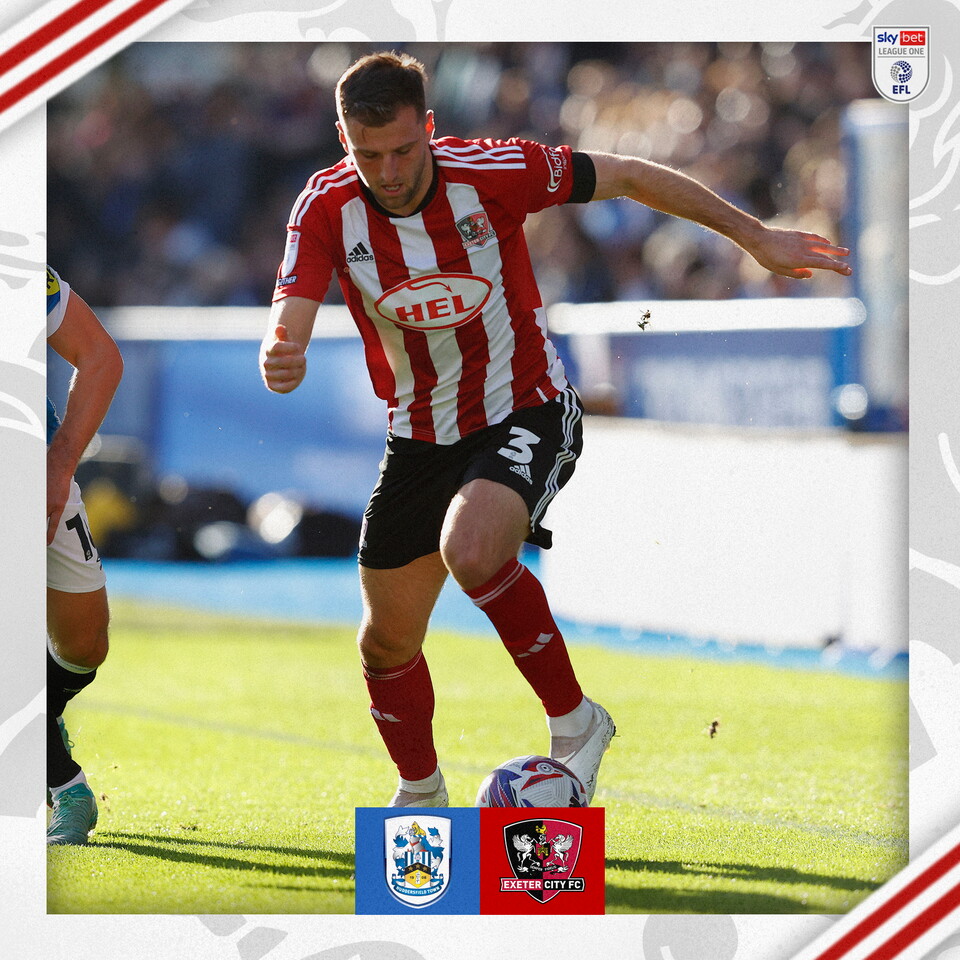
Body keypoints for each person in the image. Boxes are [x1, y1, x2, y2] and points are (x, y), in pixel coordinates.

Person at [259, 52, 851, 807]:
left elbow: (632, 175)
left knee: (470, 547)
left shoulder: (496, 171)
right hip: (418, 436)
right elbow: (289, 316)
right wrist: (282, 350)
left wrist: (753, 236)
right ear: (344, 139)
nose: (390, 171)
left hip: (526, 407)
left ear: (429, 129)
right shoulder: (324, 206)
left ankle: (576, 724)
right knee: (384, 641)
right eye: (367, 154)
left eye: (404, 150)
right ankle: (422, 793)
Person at [46, 266, 123, 843]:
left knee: (84, 648)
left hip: (30, 472)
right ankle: (65, 787)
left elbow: (99, 356)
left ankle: (41, 718)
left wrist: (59, 463)